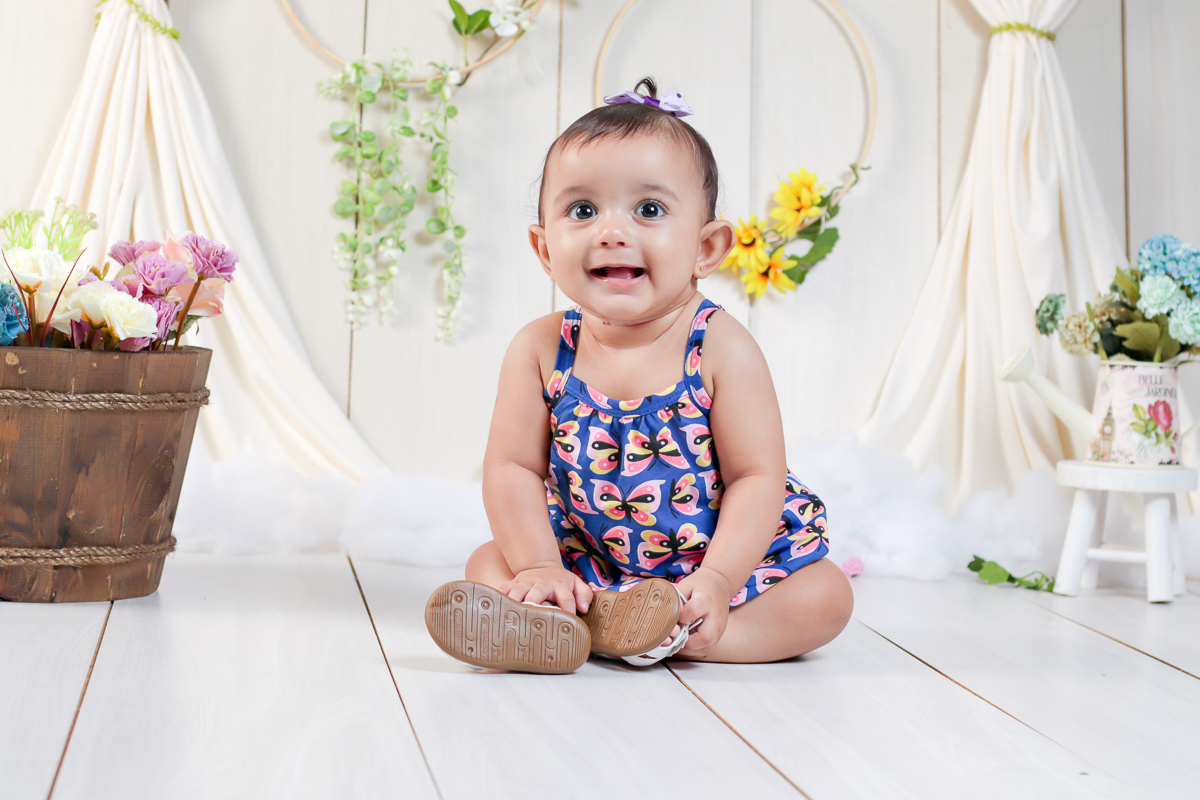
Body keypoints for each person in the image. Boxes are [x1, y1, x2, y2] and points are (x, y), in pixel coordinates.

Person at [425, 78, 853, 673]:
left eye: (649, 210)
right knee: (489, 562)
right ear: (545, 250)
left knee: (825, 598)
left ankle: (676, 635)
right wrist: (541, 566)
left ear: (707, 248)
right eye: (582, 211)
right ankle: (589, 619)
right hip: (588, 562)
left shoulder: (720, 348)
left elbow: (757, 476)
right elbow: (512, 468)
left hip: (715, 567)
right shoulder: (542, 349)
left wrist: (718, 579)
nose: (611, 231)